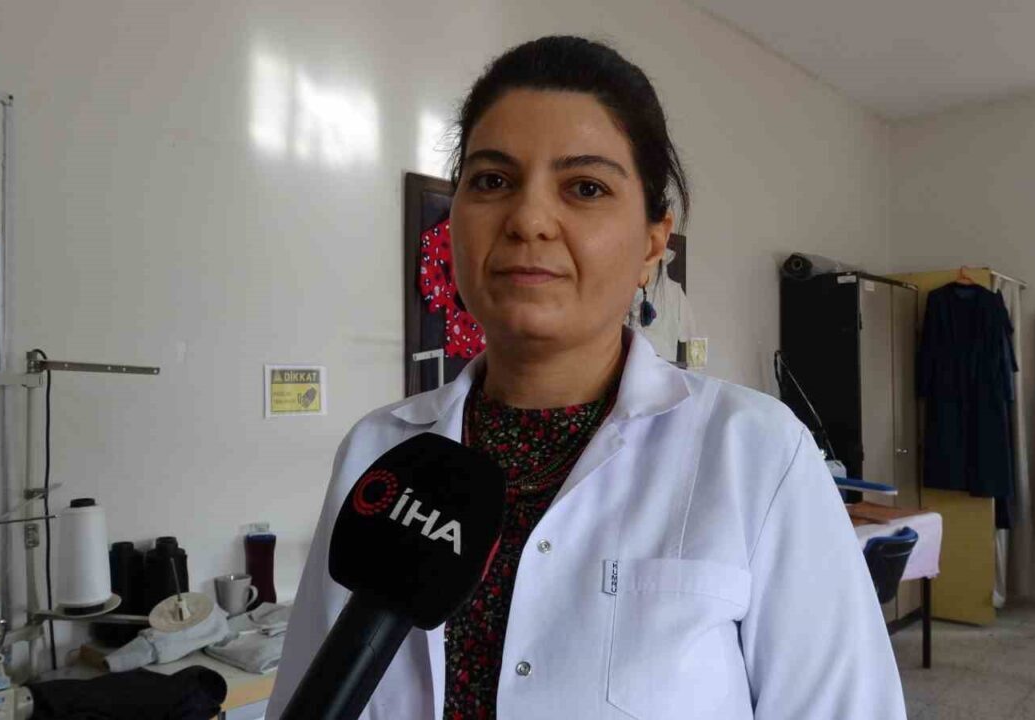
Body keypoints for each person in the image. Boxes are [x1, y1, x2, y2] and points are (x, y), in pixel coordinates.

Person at [267, 35, 904, 720]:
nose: (528, 220)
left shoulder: (757, 453)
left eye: (586, 188)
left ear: (653, 243)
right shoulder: (378, 450)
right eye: (492, 181)